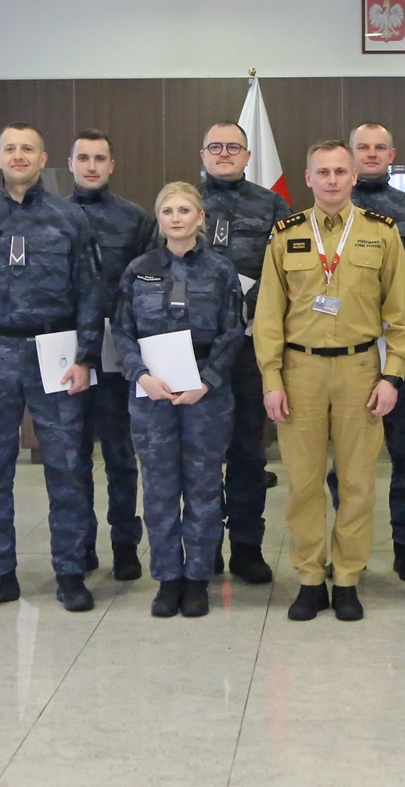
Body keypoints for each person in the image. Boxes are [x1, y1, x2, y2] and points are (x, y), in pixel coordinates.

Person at [255, 139, 405, 622]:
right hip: (299, 371)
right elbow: (268, 315)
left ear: (353, 178)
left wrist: (392, 376)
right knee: (303, 483)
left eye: (339, 172)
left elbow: (401, 315)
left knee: (358, 482)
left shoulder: (381, 233)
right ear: (307, 178)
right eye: (321, 172)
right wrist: (271, 377)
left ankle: (346, 577)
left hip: (360, 370)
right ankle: (309, 577)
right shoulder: (284, 234)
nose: (331, 180)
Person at [0, 122, 106, 613]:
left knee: (67, 467)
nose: (18, 156)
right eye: (10, 149)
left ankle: (70, 572)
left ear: (43, 159)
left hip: (55, 351)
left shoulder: (69, 218)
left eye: (28, 149)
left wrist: (86, 357)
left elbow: (90, 291)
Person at [113, 182, 242, 618]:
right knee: (160, 488)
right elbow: (123, 331)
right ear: (159, 218)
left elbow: (232, 332)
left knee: (205, 487)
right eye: (167, 210)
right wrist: (140, 375)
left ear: (200, 218)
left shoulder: (222, 271)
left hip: (205, 394)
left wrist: (207, 380)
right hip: (152, 393)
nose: (176, 217)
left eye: (185, 210)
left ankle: (197, 578)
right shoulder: (138, 269)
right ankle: (168, 578)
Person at [198, 121, 288, 585]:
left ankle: (248, 548)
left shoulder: (271, 203)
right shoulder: (184, 202)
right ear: (203, 154)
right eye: (216, 147)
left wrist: (245, 307)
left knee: (250, 453)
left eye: (233, 147)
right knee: (202, 452)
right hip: (197, 352)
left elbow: (290, 268)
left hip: (253, 348)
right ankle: (205, 544)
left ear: (248, 155)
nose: (225, 153)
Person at [66, 129, 158, 581]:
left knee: (121, 454)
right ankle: (81, 545)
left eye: (100, 158)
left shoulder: (135, 219)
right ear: (69, 163)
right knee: (73, 454)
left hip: (118, 348)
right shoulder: (53, 217)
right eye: (83, 158)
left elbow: (148, 285)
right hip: (66, 351)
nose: (91, 166)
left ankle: (125, 544)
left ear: (112, 164)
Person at [347, 121, 405, 582]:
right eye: (362, 147)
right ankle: (348, 546)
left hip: (402, 348)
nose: (371, 154)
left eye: (380, 147)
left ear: (391, 153)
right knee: (347, 460)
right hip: (344, 352)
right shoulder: (329, 206)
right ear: (350, 153)